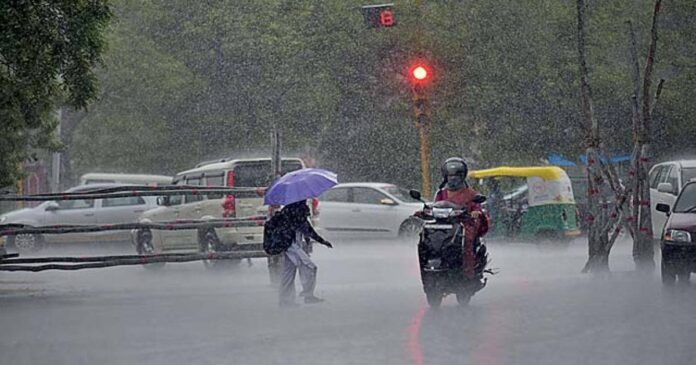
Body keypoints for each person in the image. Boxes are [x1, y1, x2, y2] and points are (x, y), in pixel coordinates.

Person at [434, 157, 489, 283]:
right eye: (450, 175)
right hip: (444, 225)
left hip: (463, 224)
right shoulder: (440, 193)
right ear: (445, 176)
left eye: (457, 175)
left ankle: (468, 273)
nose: (453, 178)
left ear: (462, 176)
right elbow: (435, 205)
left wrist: (476, 212)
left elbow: (477, 207)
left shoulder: (470, 193)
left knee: (467, 240)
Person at [276, 200, 333, 307]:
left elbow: (305, 228)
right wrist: (322, 241)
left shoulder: (289, 209)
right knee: (310, 267)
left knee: (288, 273)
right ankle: (307, 295)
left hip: (288, 244)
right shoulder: (296, 209)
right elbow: (306, 228)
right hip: (291, 245)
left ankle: (285, 300)